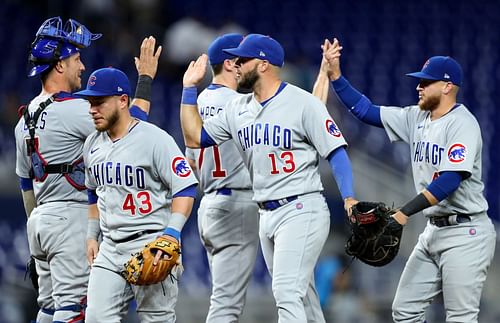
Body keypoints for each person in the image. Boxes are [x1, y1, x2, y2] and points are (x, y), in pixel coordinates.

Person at [180, 33, 357, 323]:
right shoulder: (237, 108)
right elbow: (194, 137)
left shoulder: (301, 102)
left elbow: (336, 152)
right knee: (304, 298)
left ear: (263, 65)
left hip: (302, 208)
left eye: (242, 60)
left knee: (286, 292)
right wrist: (188, 89)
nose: (235, 65)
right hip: (266, 214)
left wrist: (348, 196)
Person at [323, 39, 496, 322]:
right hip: (432, 230)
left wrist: (402, 213)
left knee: (460, 317)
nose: (419, 86)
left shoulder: (462, 124)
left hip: (467, 232)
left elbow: (449, 181)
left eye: (427, 82)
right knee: (404, 310)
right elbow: (367, 111)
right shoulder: (416, 117)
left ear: (447, 86)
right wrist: (337, 78)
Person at [14, 16, 160, 322]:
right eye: (77, 59)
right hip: (71, 218)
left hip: (40, 221)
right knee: (72, 310)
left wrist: (38, 229)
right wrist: (145, 79)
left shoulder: (24, 118)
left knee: (49, 308)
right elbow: (132, 130)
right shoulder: (73, 109)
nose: (82, 66)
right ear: (59, 65)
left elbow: (26, 185)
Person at [76, 67, 198, 322]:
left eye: (99, 102)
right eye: (90, 102)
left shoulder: (154, 139)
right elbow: (92, 192)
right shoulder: (92, 144)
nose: (92, 109)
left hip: (151, 245)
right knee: (96, 318)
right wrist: (91, 235)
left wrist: (171, 234)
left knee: (156, 319)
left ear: (123, 101)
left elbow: (185, 186)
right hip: (109, 249)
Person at [184, 33, 260, 322]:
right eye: (240, 58)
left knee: (223, 297)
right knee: (226, 306)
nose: (245, 63)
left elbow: (190, 162)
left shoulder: (196, 102)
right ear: (229, 64)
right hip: (237, 204)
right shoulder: (242, 105)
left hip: (210, 205)